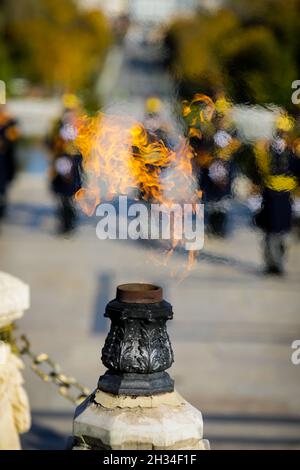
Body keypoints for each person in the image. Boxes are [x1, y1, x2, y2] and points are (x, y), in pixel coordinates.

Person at [254, 112, 300, 275]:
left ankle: (278, 263)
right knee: (269, 233)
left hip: (285, 197)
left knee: (283, 234)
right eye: (279, 132)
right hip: (270, 195)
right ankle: (271, 264)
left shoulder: (293, 153)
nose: (281, 136)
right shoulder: (266, 151)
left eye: (284, 133)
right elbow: (259, 170)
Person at [46, 94, 83, 234]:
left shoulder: (80, 124)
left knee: (72, 196)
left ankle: (70, 220)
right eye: (67, 109)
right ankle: (64, 222)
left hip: (75, 164)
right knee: (61, 196)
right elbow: (49, 142)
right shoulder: (56, 125)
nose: (69, 112)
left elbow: (86, 146)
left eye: (71, 109)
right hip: (60, 163)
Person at [0, 105, 19, 222]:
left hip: (4, 159)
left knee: (2, 186)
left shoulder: (10, 122)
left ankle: (2, 208)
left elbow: (13, 138)